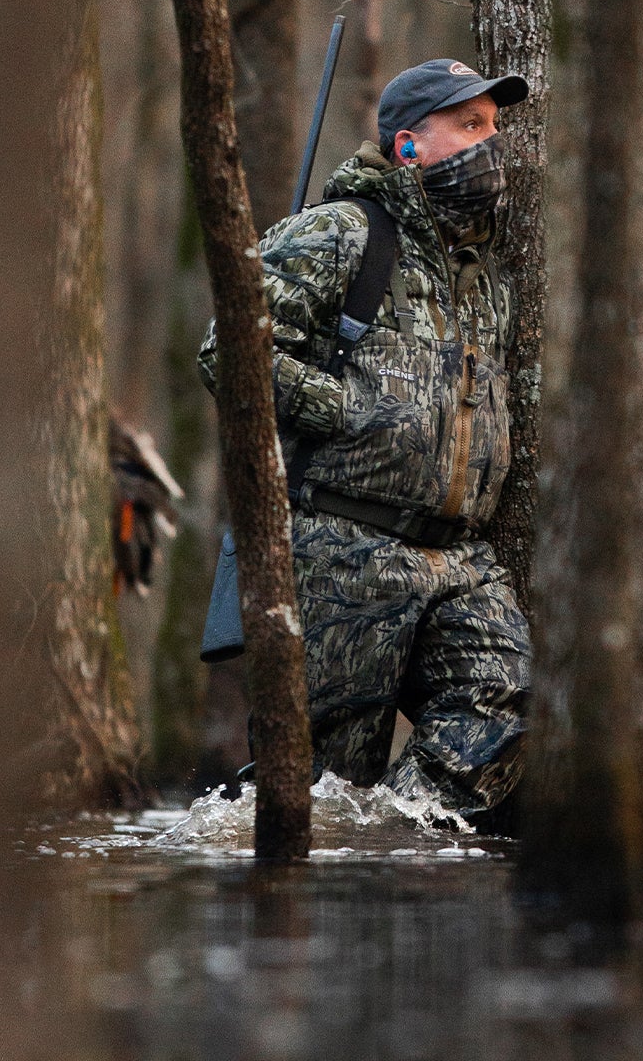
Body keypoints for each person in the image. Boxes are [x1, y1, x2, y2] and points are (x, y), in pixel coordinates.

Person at [199, 57, 532, 820]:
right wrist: (343, 407)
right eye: (470, 126)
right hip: (343, 546)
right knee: (324, 778)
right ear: (409, 144)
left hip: (460, 559)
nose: (491, 146)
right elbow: (230, 349)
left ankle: (386, 838)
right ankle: (332, 886)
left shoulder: (479, 267)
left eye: (494, 128)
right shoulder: (342, 231)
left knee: (508, 697)